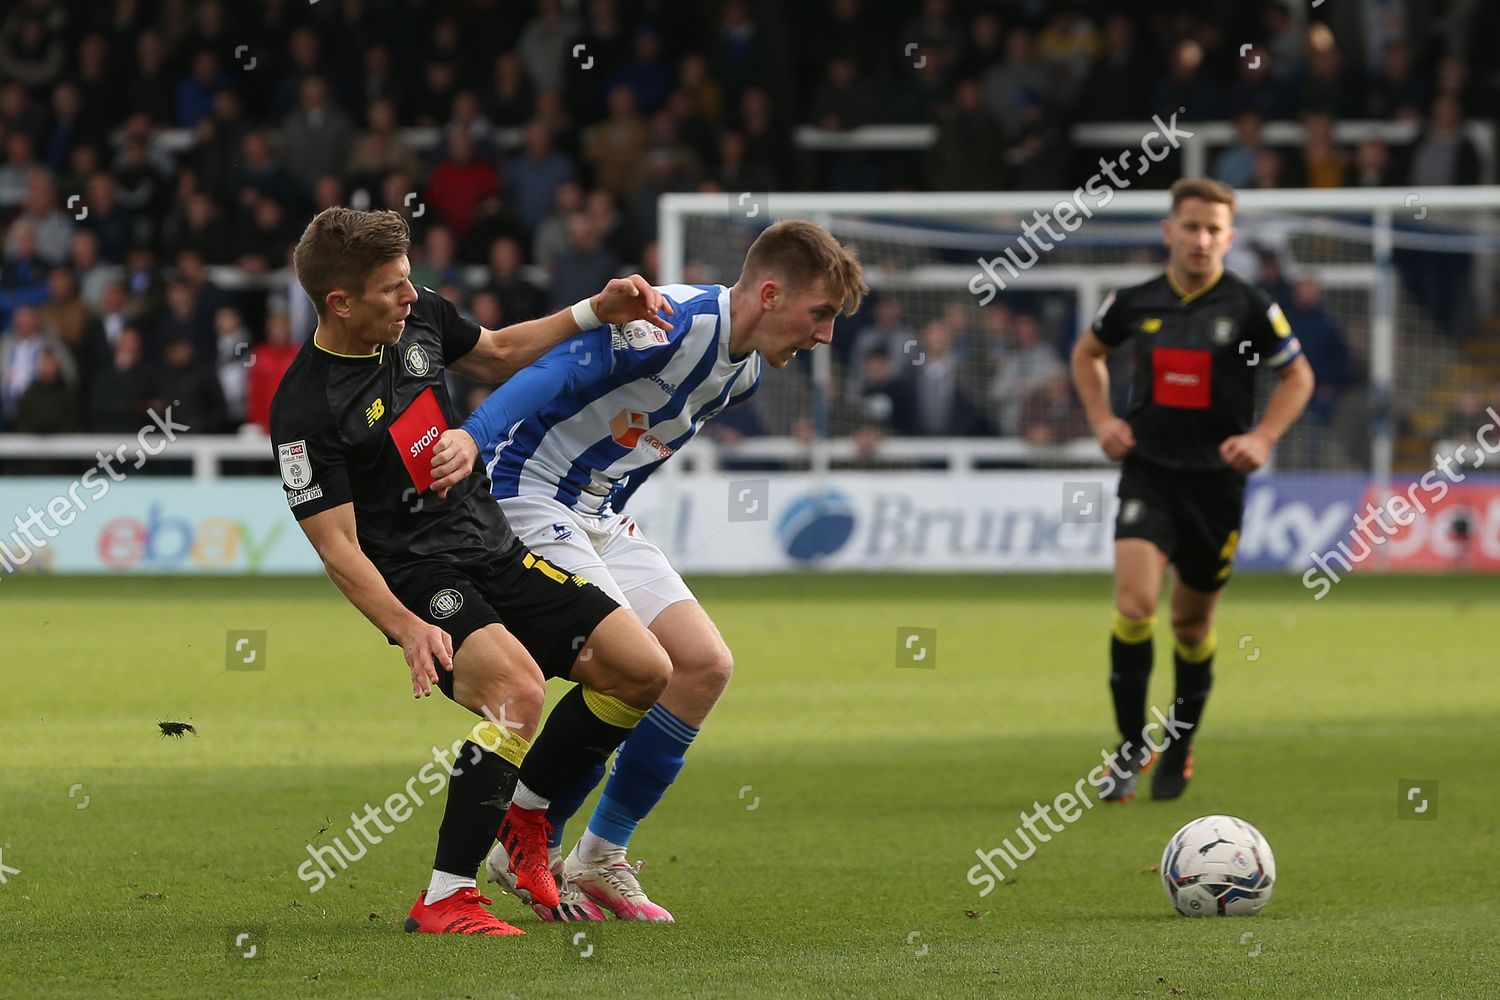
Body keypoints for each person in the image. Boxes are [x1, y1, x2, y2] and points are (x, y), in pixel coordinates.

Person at [269, 207, 676, 936]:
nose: (410, 294)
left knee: (642, 668)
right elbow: (336, 547)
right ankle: (445, 897)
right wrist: (406, 626)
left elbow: (495, 351)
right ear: (339, 302)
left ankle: (525, 821)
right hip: (421, 579)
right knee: (517, 693)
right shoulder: (305, 407)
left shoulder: (416, 316)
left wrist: (594, 310)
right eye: (391, 287)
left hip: (495, 547)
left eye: (407, 279)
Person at [448, 220, 867, 921]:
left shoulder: (749, 367)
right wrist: (474, 435)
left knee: (703, 666)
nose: (824, 336)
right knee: (637, 664)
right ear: (770, 293)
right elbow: (555, 372)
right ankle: (522, 829)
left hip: (599, 511)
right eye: (820, 314)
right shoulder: (669, 323)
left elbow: (634, 441)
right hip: (526, 490)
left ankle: (596, 860)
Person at [1069, 178, 1314, 802]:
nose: (1201, 239)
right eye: (1191, 226)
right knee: (1133, 606)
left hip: (1216, 487)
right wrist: (1101, 420)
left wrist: (1262, 439)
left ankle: (1179, 742)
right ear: (1169, 231)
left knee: (1190, 625)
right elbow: (1087, 354)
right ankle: (1128, 752)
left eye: (1214, 229)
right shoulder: (1136, 300)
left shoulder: (1251, 307)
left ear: (1229, 238)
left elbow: (1298, 378)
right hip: (1149, 472)